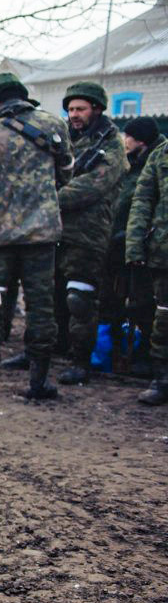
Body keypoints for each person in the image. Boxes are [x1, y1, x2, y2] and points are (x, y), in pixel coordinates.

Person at [0, 72, 70, 398]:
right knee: (40, 305)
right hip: (41, 236)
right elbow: (65, 173)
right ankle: (39, 382)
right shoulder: (52, 126)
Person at [51, 82, 127, 385]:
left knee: (79, 298)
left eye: (80, 108)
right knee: (49, 295)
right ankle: (48, 350)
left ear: (96, 108)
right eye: (70, 109)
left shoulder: (111, 145)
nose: (74, 115)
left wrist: (50, 198)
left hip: (88, 233)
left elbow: (94, 185)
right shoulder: (67, 140)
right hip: (55, 229)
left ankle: (80, 361)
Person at [104, 118, 165, 377]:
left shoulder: (151, 162)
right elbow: (136, 203)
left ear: (140, 140)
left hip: (150, 244)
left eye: (128, 136)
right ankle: (133, 356)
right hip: (133, 245)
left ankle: (148, 359)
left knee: (152, 308)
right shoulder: (132, 165)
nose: (123, 141)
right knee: (132, 303)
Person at [125, 122, 168, 404]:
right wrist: (135, 246)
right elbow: (142, 202)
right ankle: (162, 379)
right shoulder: (161, 156)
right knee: (164, 317)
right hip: (164, 252)